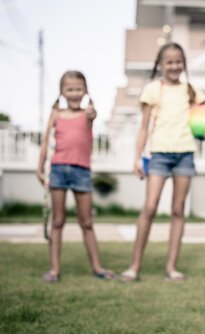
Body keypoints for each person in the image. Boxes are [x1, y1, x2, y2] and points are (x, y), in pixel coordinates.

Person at [120, 42, 205, 282]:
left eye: (178, 61)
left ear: (183, 64)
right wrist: (137, 158)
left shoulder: (190, 90)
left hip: (185, 156)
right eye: (169, 62)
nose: (174, 66)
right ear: (160, 65)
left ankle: (171, 268)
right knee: (149, 208)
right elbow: (144, 128)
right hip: (159, 155)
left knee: (178, 211)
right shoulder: (152, 89)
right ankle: (134, 266)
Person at [37, 70, 114, 283]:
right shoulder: (56, 114)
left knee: (87, 222)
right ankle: (54, 270)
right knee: (58, 221)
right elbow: (45, 142)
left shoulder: (87, 113)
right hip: (58, 170)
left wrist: (92, 110)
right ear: (62, 91)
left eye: (78, 89)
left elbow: (93, 114)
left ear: (85, 91)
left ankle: (97, 267)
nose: (74, 93)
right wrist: (39, 168)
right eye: (69, 89)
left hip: (82, 171)